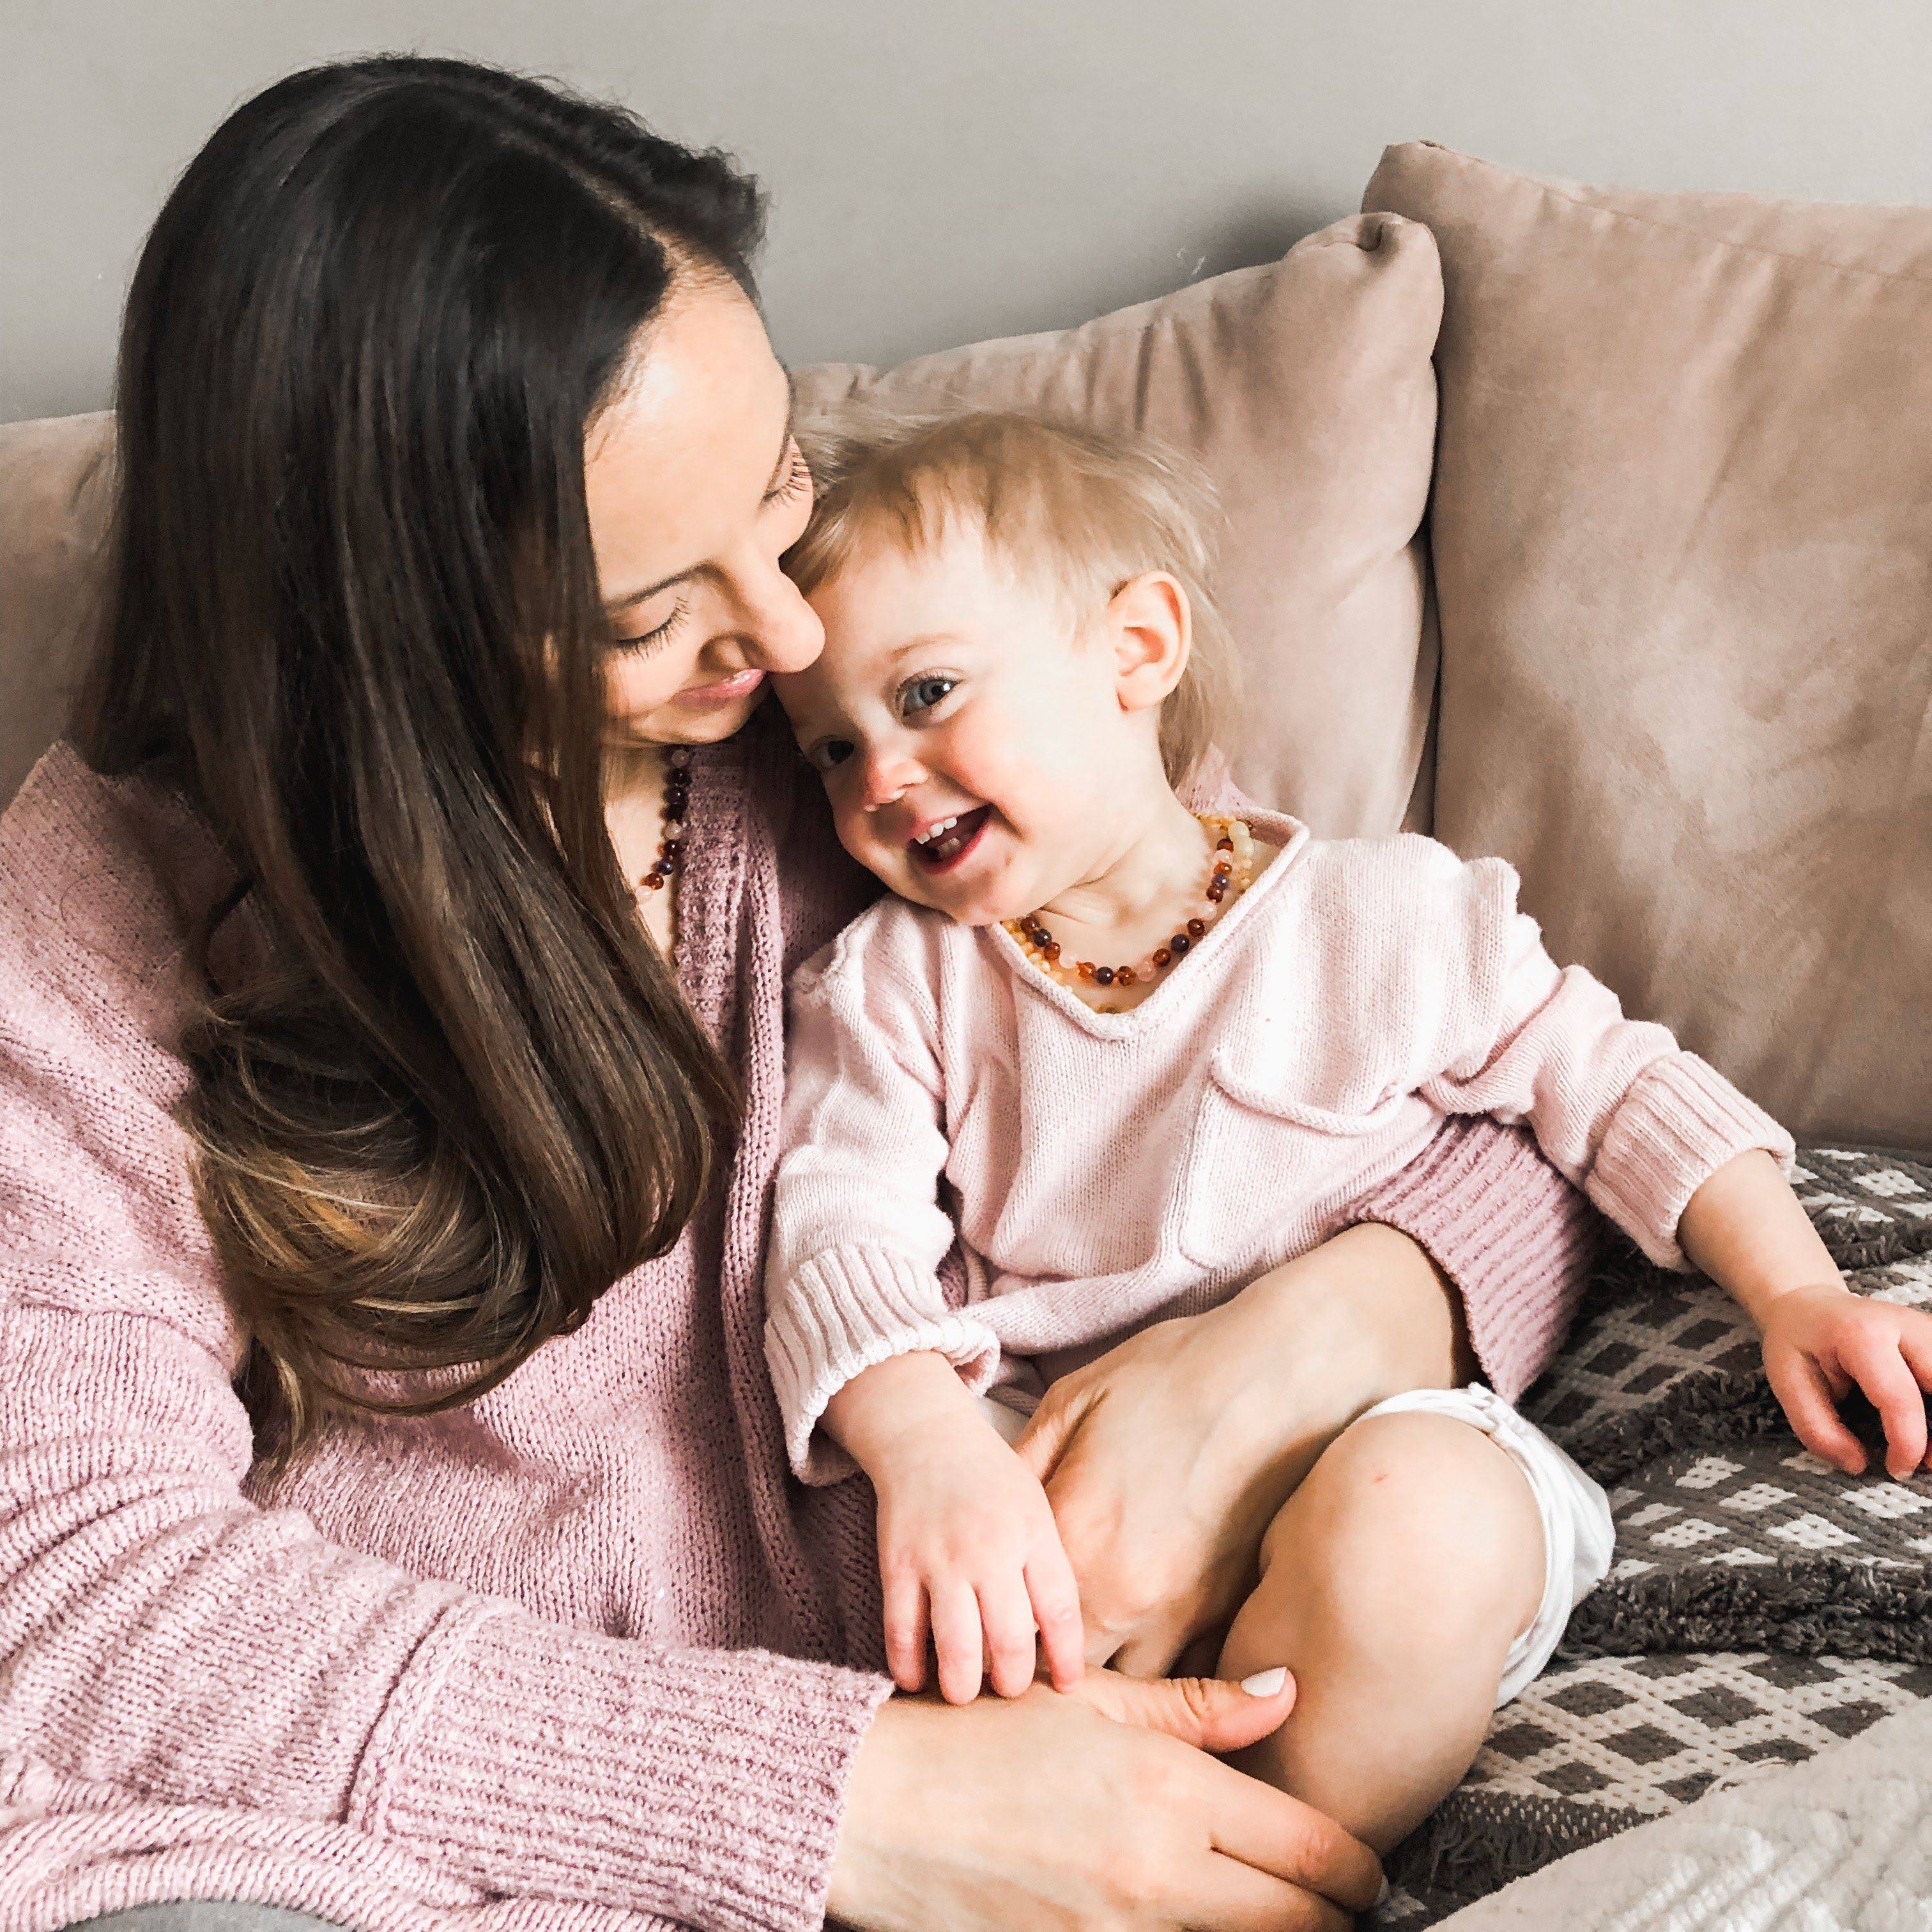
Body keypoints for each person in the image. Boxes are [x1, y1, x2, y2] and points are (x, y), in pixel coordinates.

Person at [1, 56, 1609, 1932]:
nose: (779, 639)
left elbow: (1458, 1068)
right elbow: (78, 1585)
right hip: (459, 1857)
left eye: (773, 488)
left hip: (1054, 1728)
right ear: (375, 640)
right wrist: (842, 1801)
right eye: (640, 613)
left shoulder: (895, 721)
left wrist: (1294, 1352)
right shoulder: (93, 938)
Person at [764, 407, 1932, 1852]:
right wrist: (934, 1454)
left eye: (928, 692)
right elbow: (836, 1232)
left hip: (1381, 1436)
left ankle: (1284, 1857)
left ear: (1137, 651)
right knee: (973, 1585)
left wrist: (1797, 1288)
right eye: (827, 750)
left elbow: (1619, 1086)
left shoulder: (1390, 915)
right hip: (1067, 1479)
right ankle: (1118, 1841)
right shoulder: (892, 984)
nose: (877, 777)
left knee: (1425, 1519)